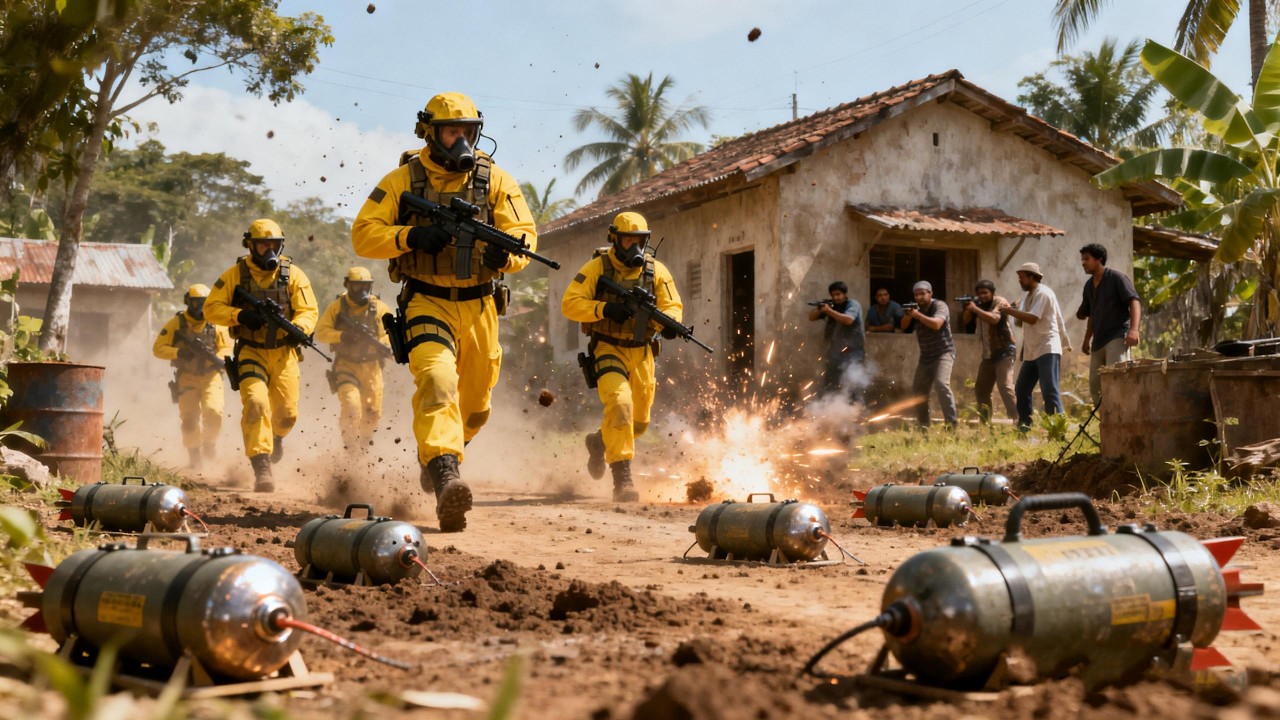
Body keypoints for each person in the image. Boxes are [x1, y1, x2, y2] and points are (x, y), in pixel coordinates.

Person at [352, 91, 537, 532]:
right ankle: (445, 474)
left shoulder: (497, 181)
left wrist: (504, 257)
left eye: (469, 131)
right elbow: (363, 235)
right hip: (426, 300)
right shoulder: (401, 180)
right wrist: (410, 239)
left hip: (481, 305)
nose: (461, 140)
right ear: (429, 133)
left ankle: (442, 453)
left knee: (475, 406)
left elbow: (524, 239)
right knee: (437, 382)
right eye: (451, 131)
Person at [562, 212, 683, 502]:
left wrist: (668, 324)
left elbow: (672, 306)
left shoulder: (657, 271)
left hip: (642, 352)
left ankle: (599, 442)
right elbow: (571, 303)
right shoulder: (596, 268)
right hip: (608, 348)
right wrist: (604, 309)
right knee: (620, 404)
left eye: (640, 241)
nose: (635, 247)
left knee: (638, 423)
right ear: (614, 239)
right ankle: (622, 478)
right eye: (628, 239)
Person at [204, 219, 318, 492]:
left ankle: (276, 437)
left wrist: (299, 330)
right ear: (250, 245)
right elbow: (211, 308)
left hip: (284, 354)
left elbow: (308, 310)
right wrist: (240, 315)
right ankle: (261, 465)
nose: (269, 250)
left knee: (287, 414)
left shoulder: (294, 275)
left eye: (274, 244)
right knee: (255, 404)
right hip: (251, 351)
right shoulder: (235, 274)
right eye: (263, 244)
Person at [313, 267, 394, 453]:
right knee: (351, 404)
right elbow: (321, 332)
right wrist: (342, 336)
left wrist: (382, 344)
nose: (362, 291)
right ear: (348, 285)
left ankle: (364, 444)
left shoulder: (379, 308)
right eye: (357, 287)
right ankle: (350, 444)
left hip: (372, 367)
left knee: (373, 412)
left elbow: (389, 335)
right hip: (346, 364)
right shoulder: (337, 307)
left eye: (366, 287)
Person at [152, 284, 232, 469]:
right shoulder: (177, 324)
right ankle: (194, 455)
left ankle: (209, 444)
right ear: (188, 301)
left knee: (213, 411)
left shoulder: (216, 324)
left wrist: (216, 358)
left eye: (203, 303)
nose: (199, 307)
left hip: (211, 377)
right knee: (189, 419)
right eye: (195, 302)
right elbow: (158, 348)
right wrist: (179, 353)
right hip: (186, 377)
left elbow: (227, 348)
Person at [1002, 262, 1071, 431]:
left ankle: (1058, 429)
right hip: (1032, 350)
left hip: (1047, 347)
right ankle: (1025, 427)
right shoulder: (1027, 297)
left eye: (1022, 278)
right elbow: (1022, 322)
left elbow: (1032, 318)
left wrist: (1009, 311)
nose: (1020, 281)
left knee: (1049, 389)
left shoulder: (1043, 293)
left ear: (1032, 277)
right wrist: (1015, 310)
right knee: (1022, 389)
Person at [1076, 243, 1140, 405]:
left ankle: (1123, 416)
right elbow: (1091, 314)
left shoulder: (1116, 278)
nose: (1083, 262)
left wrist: (1134, 330)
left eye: (1087, 259)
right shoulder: (1089, 286)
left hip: (1117, 336)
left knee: (1116, 379)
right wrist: (1086, 339)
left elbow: (1134, 302)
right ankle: (1107, 419)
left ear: (1099, 259)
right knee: (1095, 386)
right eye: (1082, 259)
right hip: (1098, 341)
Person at [900, 280, 957, 428]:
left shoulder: (939, 305)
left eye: (922, 294)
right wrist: (908, 315)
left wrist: (917, 315)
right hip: (926, 356)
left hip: (944, 353)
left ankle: (952, 424)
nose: (919, 297)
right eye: (916, 295)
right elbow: (903, 327)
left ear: (930, 293)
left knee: (941, 384)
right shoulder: (916, 309)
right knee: (918, 389)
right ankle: (924, 425)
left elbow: (937, 324)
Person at [960, 280, 1016, 423]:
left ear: (992, 292)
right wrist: (967, 308)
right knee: (981, 389)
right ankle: (985, 422)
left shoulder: (1000, 302)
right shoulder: (977, 304)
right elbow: (966, 321)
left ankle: (1019, 421)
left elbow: (995, 319)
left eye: (985, 293)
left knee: (1005, 387)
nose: (982, 296)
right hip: (988, 354)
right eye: (979, 294)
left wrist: (975, 309)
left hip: (1004, 351)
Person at [807, 280, 865, 398]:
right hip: (835, 352)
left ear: (845, 294)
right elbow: (811, 317)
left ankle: (858, 412)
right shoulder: (832, 306)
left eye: (838, 294)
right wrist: (820, 308)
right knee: (831, 384)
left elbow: (848, 320)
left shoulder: (853, 304)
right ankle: (831, 410)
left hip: (853, 351)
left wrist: (829, 311)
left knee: (853, 385)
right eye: (833, 295)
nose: (836, 298)